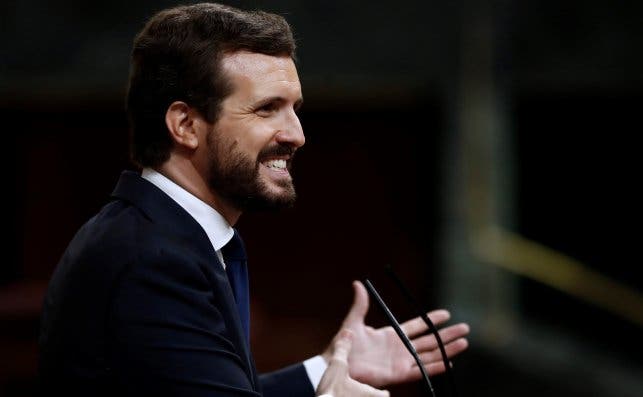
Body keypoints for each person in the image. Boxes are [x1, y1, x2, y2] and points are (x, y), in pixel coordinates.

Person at [38, 3, 470, 397]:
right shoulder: (150, 261)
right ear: (185, 124)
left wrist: (326, 370)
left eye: (295, 108)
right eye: (267, 109)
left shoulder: (159, 237)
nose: (296, 134)